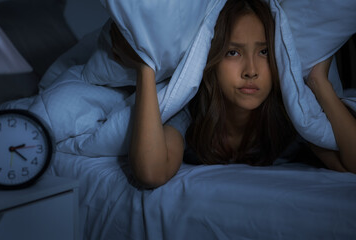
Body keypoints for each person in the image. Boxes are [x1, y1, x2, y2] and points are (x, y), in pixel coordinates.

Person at [110, 0, 356, 189]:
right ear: (211, 60)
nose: (251, 71)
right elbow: (151, 173)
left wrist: (319, 82)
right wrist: (146, 66)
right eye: (233, 53)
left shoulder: (289, 112)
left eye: (264, 53)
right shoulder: (194, 113)